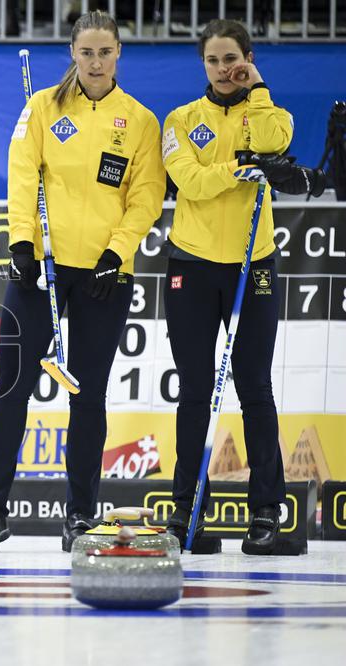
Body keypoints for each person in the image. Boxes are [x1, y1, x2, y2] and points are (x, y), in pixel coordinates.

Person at [0, 10, 166, 552]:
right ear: (73, 54)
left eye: (105, 52)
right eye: (86, 53)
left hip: (105, 274)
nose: (96, 62)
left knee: (88, 395)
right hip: (42, 271)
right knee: (12, 390)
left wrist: (116, 252)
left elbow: (146, 196)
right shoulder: (41, 108)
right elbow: (22, 173)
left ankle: (79, 515)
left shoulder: (141, 121)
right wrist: (21, 243)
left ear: (119, 53)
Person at [161, 19, 294, 555]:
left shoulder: (269, 111)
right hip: (191, 266)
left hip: (252, 264)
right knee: (194, 393)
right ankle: (190, 512)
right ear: (203, 65)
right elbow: (187, 181)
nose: (223, 70)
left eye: (232, 59)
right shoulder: (180, 119)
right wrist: (241, 167)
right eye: (214, 61)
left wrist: (256, 87)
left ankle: (265, 514)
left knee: (255, 389)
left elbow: (272, 143)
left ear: (248, 58)